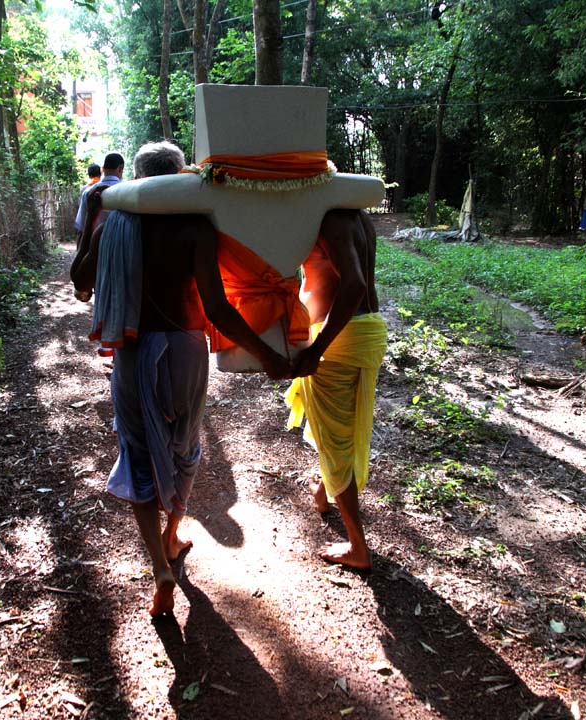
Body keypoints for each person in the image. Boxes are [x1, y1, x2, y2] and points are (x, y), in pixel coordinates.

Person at [71, 142, 292, 616]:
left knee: (136, 452)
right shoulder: (195, 226)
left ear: (138, 178)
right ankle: (173, 536)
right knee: (182, 448)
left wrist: (93, 218)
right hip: (187, 350)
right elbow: (217, 309)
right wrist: (267, 354)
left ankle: (160, 567)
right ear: (180, 177)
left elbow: (79, 282)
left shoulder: (115, 224)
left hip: (132, 351)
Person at [285, 209, 387, 571]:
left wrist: (317, 348)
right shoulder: (359, 216)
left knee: (338, 440)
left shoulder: (331, 220)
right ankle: (324, 490)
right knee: (332, 425)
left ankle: (358, 547)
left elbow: (354, 285)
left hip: (343, 338)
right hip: (366, 331)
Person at [74, 153, 123, 234]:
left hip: (94, 244)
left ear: (103, 169)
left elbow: (81, 227)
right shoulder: (126, 191)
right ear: (120, 169)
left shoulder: (88, 192)